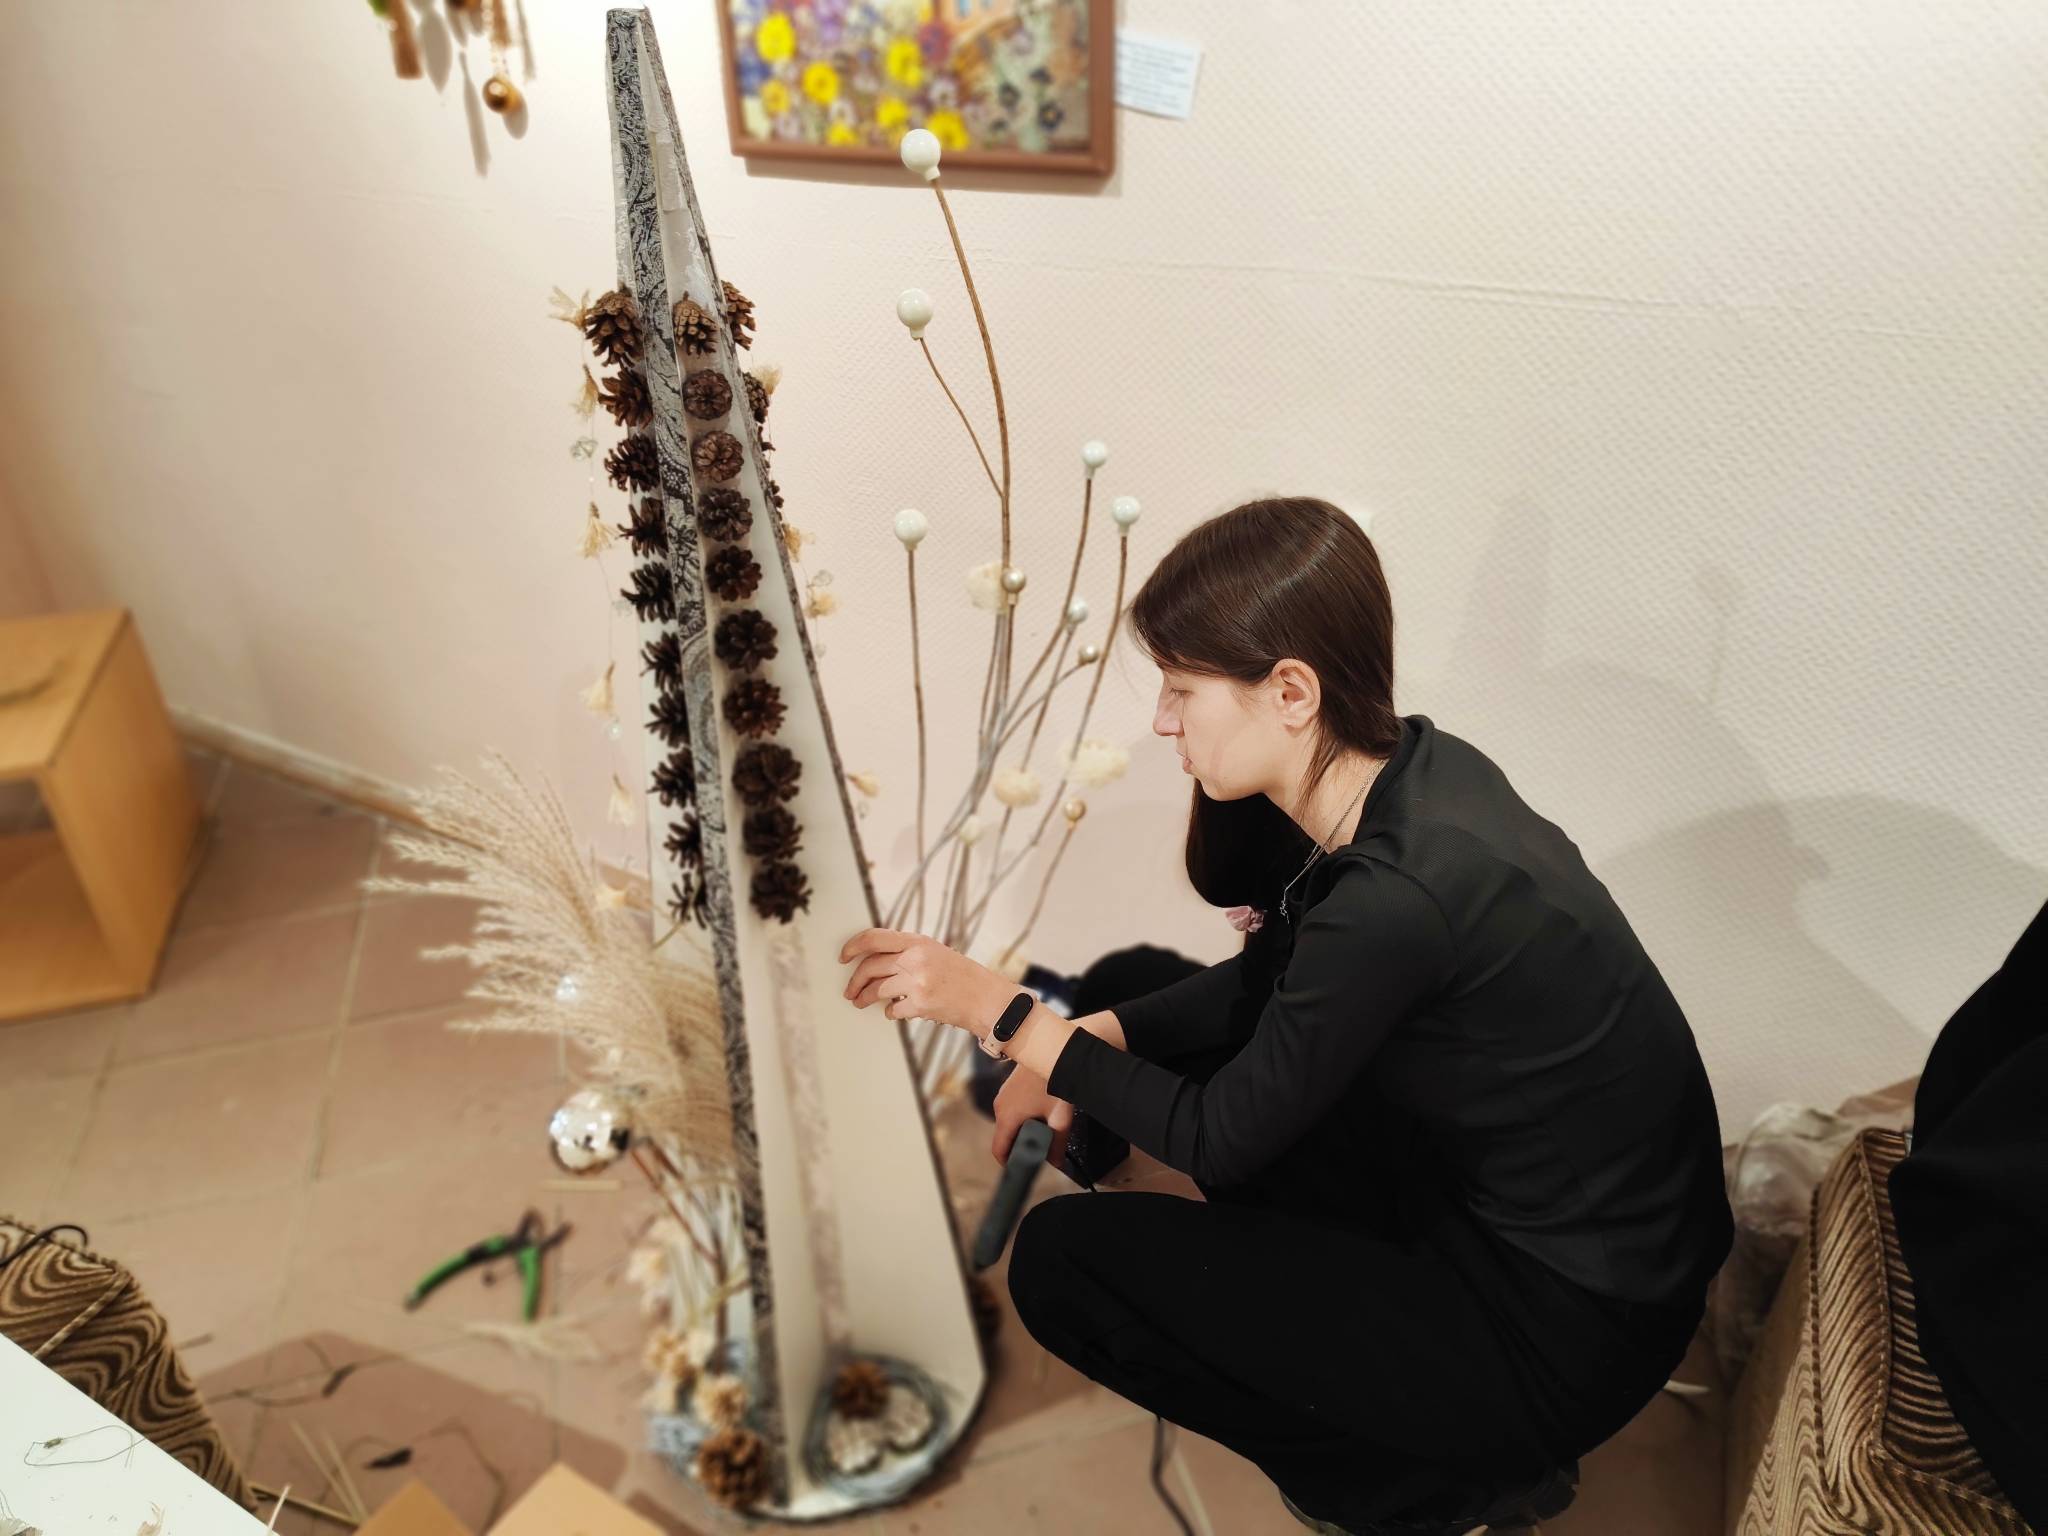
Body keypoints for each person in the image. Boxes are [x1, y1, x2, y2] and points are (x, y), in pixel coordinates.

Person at [839, 497, 1734, 1535]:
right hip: (1538, 1221)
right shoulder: (1420, 771)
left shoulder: (1400, 898)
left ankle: (1426, 1493)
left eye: (1181, 690)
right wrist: (1088, 1038)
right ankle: (1351, 1345)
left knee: (1060, 1264)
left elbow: (1219, 1138)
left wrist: (1006, 1016)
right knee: (1132, 987)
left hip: (1565, 1328)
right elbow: (1272, 979)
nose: (1162, 722)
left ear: (1291, 692)